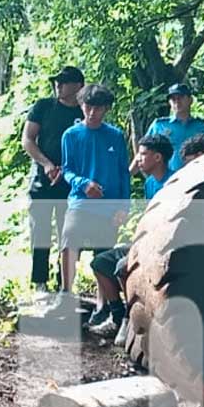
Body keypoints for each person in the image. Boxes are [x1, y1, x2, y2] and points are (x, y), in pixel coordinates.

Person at [86, 132, 171, 338]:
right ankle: (117, 315)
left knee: (122, 267)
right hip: (145, 241)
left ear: (158, 158)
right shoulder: (150, 182)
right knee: (100, 262)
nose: (138, 160)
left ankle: (129, 319)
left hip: (162, 245)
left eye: (142, 155)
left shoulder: (172, 182)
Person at [59, 84, 130, 300]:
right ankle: (66, 294)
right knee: (69, 240)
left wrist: (123, 208)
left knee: (103, 255)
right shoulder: (70, 135)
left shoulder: (116, 136)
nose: (92, 113)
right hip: (80, 202)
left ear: (106, 109)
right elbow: (67, 170)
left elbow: (123, 174)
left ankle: (104, 305)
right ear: (81, 106)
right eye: (88, 107)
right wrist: (83, 183)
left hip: (109, 207)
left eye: (98, 108)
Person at [22, 65, 85, 293]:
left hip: (71, 183)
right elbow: (28, 139)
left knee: (68, 233)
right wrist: (47, 164)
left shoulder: (84, 111)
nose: (58, 85)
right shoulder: (44, 106)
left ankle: (65, 284)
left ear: (78, 86)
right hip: (42, 180)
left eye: (64, 81)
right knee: (40, 232)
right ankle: (40, 283)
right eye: (56, 81)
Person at [143, 82, 204, 175]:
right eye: (173, 99)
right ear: (169, 102)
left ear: (190, 100)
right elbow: (143, 153)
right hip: (167, 180)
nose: (177, 101)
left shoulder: (202, 127)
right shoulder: (159, 126)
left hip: (197, 178)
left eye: (181, 97)